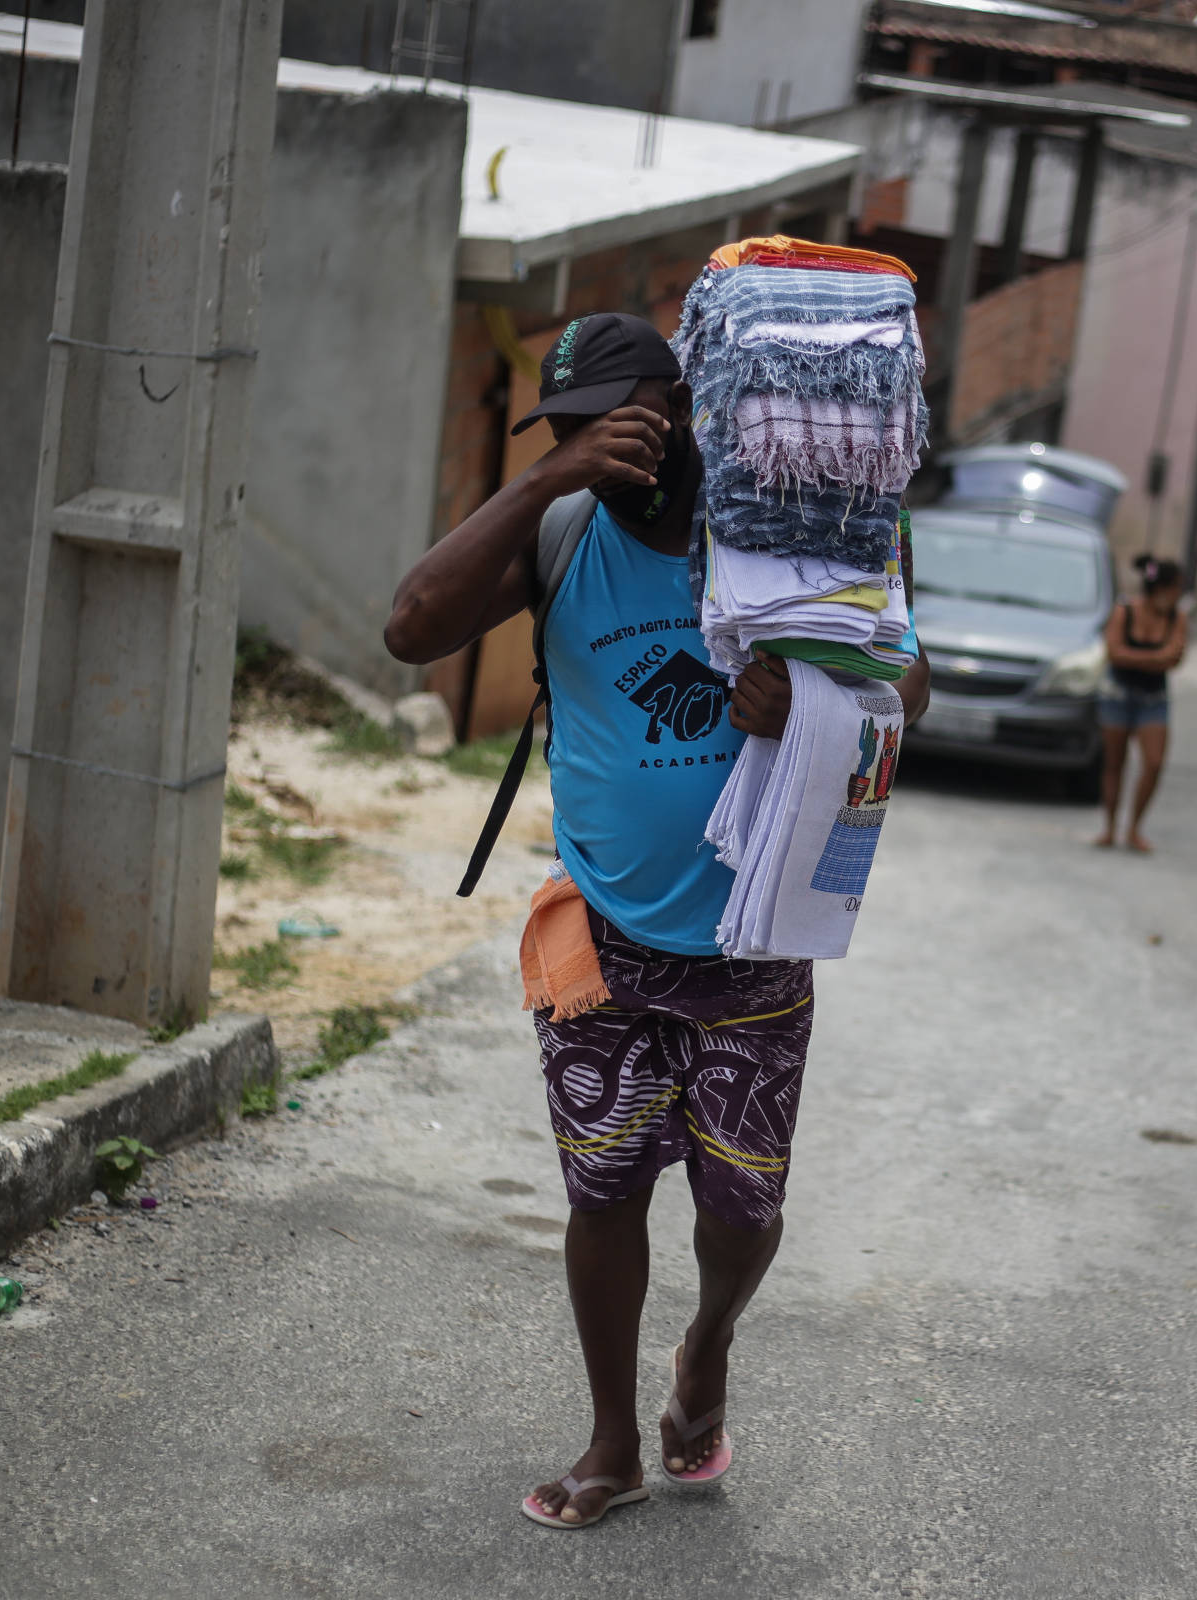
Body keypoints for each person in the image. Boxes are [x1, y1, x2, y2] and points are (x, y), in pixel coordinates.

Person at [382, 312, 931, 1531]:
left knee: (742, 1210)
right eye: (572, 429)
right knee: (604, 1188)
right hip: (604, 934)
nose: (599, 446)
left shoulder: (786, 535)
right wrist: (548, 478)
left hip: (753, 938)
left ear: (687, 412)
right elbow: (412, 627)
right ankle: (615, 1440)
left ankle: (710, 1347)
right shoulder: (562, 527)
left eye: (617, 423)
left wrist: (818, 692)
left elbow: (910, 686)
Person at [1095, 555, 1189, 853]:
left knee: (1154, 762)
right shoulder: (1126, 611)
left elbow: (1174, 658)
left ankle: (1134, 827)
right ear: (1159, 588)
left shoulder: (1177, 618)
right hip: (1118, 695)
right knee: (1114, 763)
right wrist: (1154, 659)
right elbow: (1115, 653)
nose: (1176, 596)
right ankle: (1110, 827)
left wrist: (1137, 659)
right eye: (1174, 589)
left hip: (1153, 699)